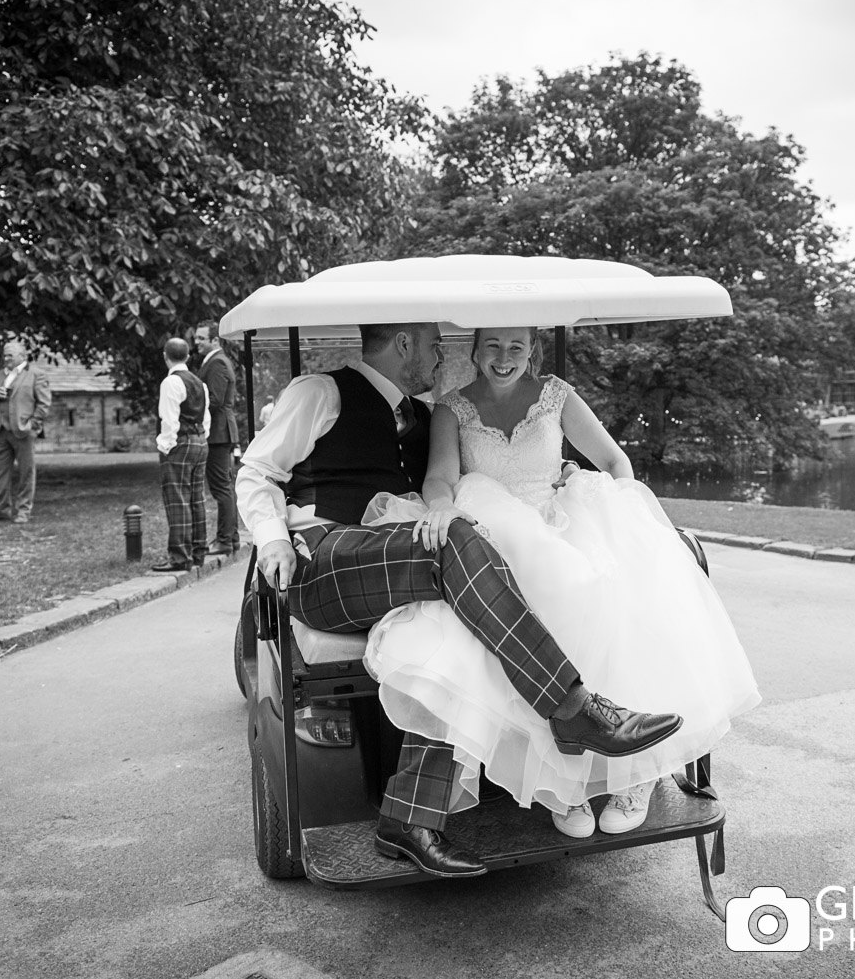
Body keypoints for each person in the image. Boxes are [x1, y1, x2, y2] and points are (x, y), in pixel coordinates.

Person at [236, 322, 683, 879]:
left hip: (392, 562)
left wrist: (562, 476)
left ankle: (408, 818)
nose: (441, 354)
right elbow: (255, 471)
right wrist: (273, 537)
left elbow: (456, 475)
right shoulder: (320, 393)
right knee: (457, 537)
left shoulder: (425, 415)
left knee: (452, 634)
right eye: (432, 343)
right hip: (322, 557)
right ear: (404, 344)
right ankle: (572, 710)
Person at [365, 327, 761, 839]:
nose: (503, 358)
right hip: (496, 529)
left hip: (563, 521)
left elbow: (615, 460)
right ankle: (567, 780)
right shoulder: (452, 407)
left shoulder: (557, 394)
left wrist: (626, 515)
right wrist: (442, 509)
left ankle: (633, 775)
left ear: (531, 350)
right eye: (492, 346)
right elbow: (440, 478)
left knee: (602, 592)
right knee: (532, 600)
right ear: (475, 349)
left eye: (515, 347)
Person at [152, 338, 211, 573]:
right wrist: (201, 437)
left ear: (166, 356)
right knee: (196, 499)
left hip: (180, 443)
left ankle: (180, 557)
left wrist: (166, 446)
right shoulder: (200, 383)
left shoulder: (171, 382)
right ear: (187, 357)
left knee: (177, 499)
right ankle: (198, 552)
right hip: (200, 441)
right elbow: (206, 418)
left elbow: (169, 419)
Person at [0, 340, 50, 524]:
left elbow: (44, 404)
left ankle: (23, 512)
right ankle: (1, 510)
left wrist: (32, 426)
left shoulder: (36, 374)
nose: (5, 359)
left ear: (22, 356)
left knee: (26, 472)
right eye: (4, 355)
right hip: (0, 431)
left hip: (23, 431)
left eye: (9, 355)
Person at [193, 320, 240, 555]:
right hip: (220, 432)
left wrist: (190, 407)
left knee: (221, 488)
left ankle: (224, 540)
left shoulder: (218, 362)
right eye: (196, 338)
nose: (196, 342)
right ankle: (231, 538)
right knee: (224, 487)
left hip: (219, 433)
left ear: (215, 340)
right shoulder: (215, 361)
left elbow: (215, 399)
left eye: (201, 338)